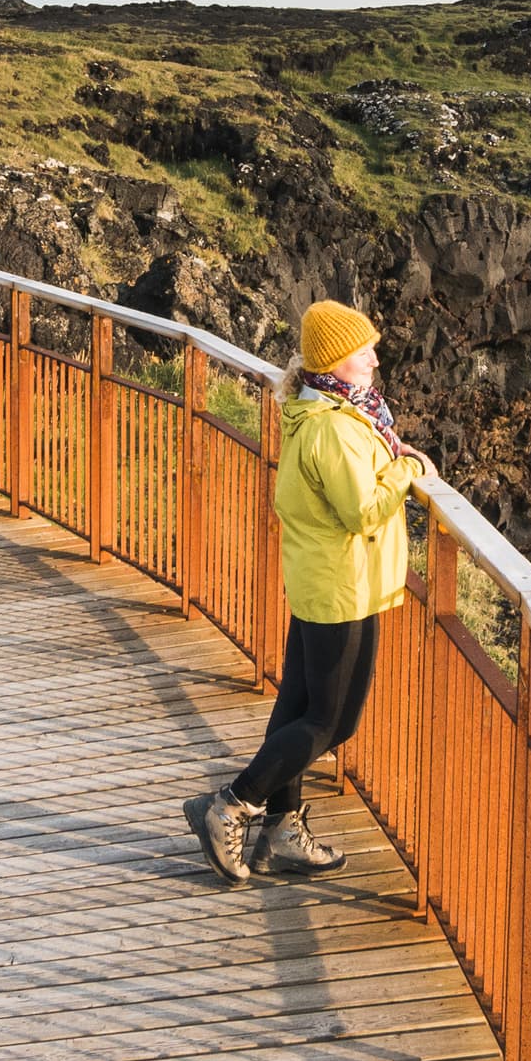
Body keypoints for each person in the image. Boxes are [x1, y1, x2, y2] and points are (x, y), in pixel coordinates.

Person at [186, 298, 430, 884]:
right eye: (362, 349)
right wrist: (410, 470)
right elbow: (363, 510)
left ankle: (282, 831)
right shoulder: (333, 429)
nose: (374, 357)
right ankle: (231, 805)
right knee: (331, 722)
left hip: (326, 580)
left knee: (296, 710)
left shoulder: (324, 411)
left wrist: (391, 456)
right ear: (333, 361)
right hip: (343, 586)